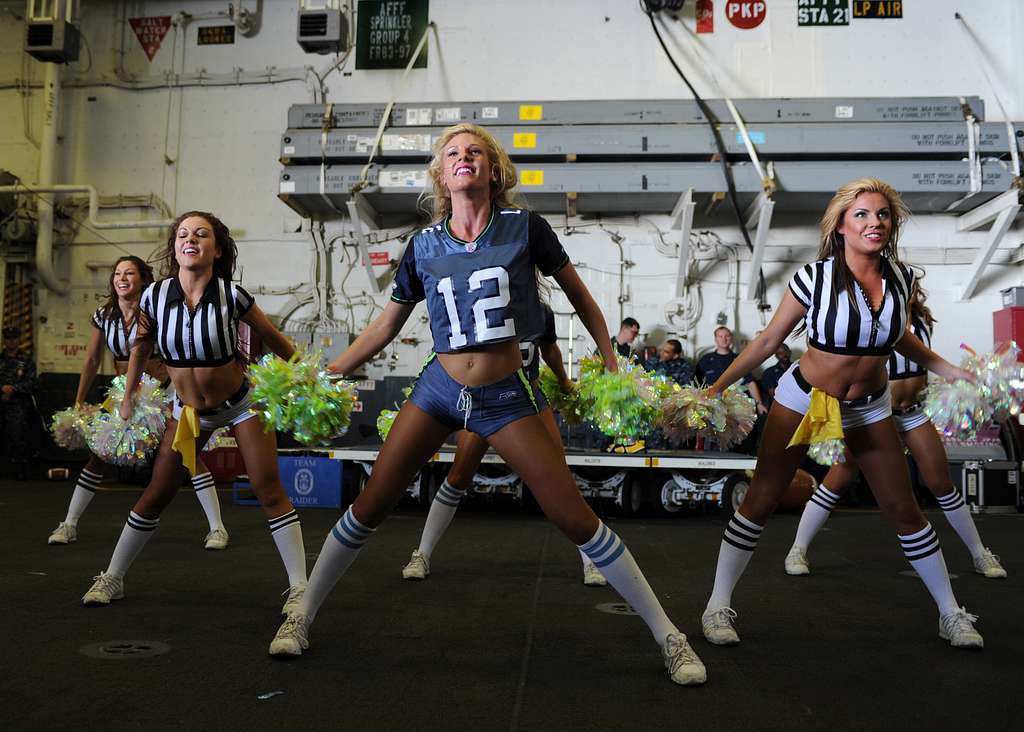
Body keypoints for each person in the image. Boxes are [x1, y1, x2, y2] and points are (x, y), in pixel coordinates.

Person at [269, 123, 706, 685]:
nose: (463, 157)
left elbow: (582, 298)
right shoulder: (423, 244)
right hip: (439, 389)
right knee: (373, 501)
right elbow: (385, 326)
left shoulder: (526, 228)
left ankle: (670, 635)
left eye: (475, 151)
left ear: (494, 170)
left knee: (572, 515)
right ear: (440, 174)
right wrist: (327, 372)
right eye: (452, 153)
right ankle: (301, 614)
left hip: (506, 394)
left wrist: (611, 359)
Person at [700, 178, 984, 651]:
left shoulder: (903, 279)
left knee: (903, 508)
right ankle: (716, 606)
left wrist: (948, 368)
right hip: (804, 397)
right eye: (862, 215)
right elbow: (771, 342)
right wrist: (716, 387)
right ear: (841, 226)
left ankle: (951, 613)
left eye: (882, 215)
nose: (874, 222)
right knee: (762, 498)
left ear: (891, 225)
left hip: (869, 407)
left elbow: (897, 337)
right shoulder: (812, 278)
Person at [80, 211, 309, 617]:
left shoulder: (232, 295)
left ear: (216, 249)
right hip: (187, 411)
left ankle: (300, 589)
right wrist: (129, 395)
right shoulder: (153, 296)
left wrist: (310, 377)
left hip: (240, 405)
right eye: (183, 234)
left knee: (267, 487)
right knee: (158, 491)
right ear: (175, 248)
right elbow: (141, 347)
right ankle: (112, 577)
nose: (191, 239)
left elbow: (273, 338)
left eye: (201, 234)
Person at [784, 283, 1006, 579]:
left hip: (912, 412)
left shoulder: (922, 319)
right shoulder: (871, 318)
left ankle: (980, 553)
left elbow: (926, 363)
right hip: (874, 414)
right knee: (840, 477)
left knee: (941, 482)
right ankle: (797, 548)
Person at [402, 304, 608, 587]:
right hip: (487, 399)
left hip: (529, 398)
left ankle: (592, 560)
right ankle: (421, 553)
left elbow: (550, 350)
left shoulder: (542, 311)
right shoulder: (476, 300)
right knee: (458, 475)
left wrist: (564, 382)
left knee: (560, 480)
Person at [46, 256, 228, 549]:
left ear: (143, 279)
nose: (122, 278)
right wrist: (79, 401)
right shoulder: (104, 315)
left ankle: (217, 528)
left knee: (188, 454)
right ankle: (69, 523)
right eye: (117, 273)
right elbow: (92, 360)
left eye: (129, 273)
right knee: (98, 455)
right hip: (125, 393)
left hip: (166, 392)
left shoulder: (156, 309)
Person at [697, 326, 766, 415]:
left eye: (727, 336)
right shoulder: (706, 359)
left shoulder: (740, 359)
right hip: (711, 405)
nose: (724, 339)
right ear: (715, 339)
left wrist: (759, 404)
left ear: (731, 338)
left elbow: (750, 383)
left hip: (736, 406)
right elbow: (697, 385)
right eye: (720, 336)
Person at [0, 325, 35, 481]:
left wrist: (13, 389)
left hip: (18, 405)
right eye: (8, 339)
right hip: (1, 401)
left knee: (18, 437)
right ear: (4, 340)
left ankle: (20, 470)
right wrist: (2, 389)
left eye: (14, 338)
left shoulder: (26, 360)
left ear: (19, 340)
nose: (11, 342)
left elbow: (33, 383)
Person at [757, 343, 791, 408]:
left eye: (786, 351)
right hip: (781, 406)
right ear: (776, 356)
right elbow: (774, 396)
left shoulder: (798, 368)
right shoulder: (769, 372)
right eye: (780, 353)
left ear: (790, 352)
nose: (784, 354)